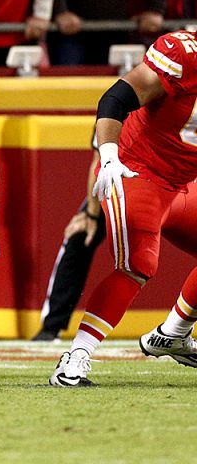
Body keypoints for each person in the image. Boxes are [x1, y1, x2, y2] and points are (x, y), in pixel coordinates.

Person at [50, 28, 197, 385]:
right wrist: (110, 156)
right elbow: (115, 98)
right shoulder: (183, 54)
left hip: (182, 183)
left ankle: (173, 332)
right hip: (135, 169)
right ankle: (76, 356)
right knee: (138, 263)